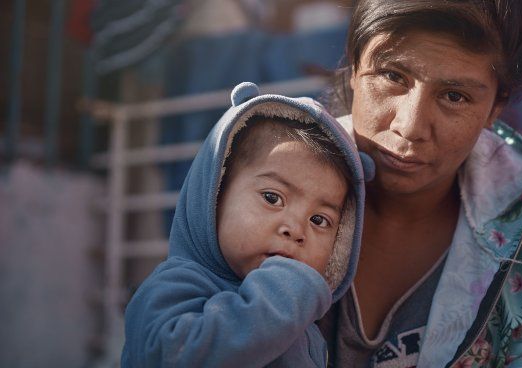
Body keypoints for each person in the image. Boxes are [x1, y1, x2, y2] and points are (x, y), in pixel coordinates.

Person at [318, 1, 522, 367]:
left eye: (455, 96)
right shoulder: (264, 177)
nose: (410, 127)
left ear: (495, 108)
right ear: (355, 68)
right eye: (392, 76)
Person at [121, 82, 374, 367]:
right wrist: (281, 294)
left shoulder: (305, 325)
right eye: (272, 198)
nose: (295, 229)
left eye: (319, 220)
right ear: (215, 195)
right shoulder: (175, 286)